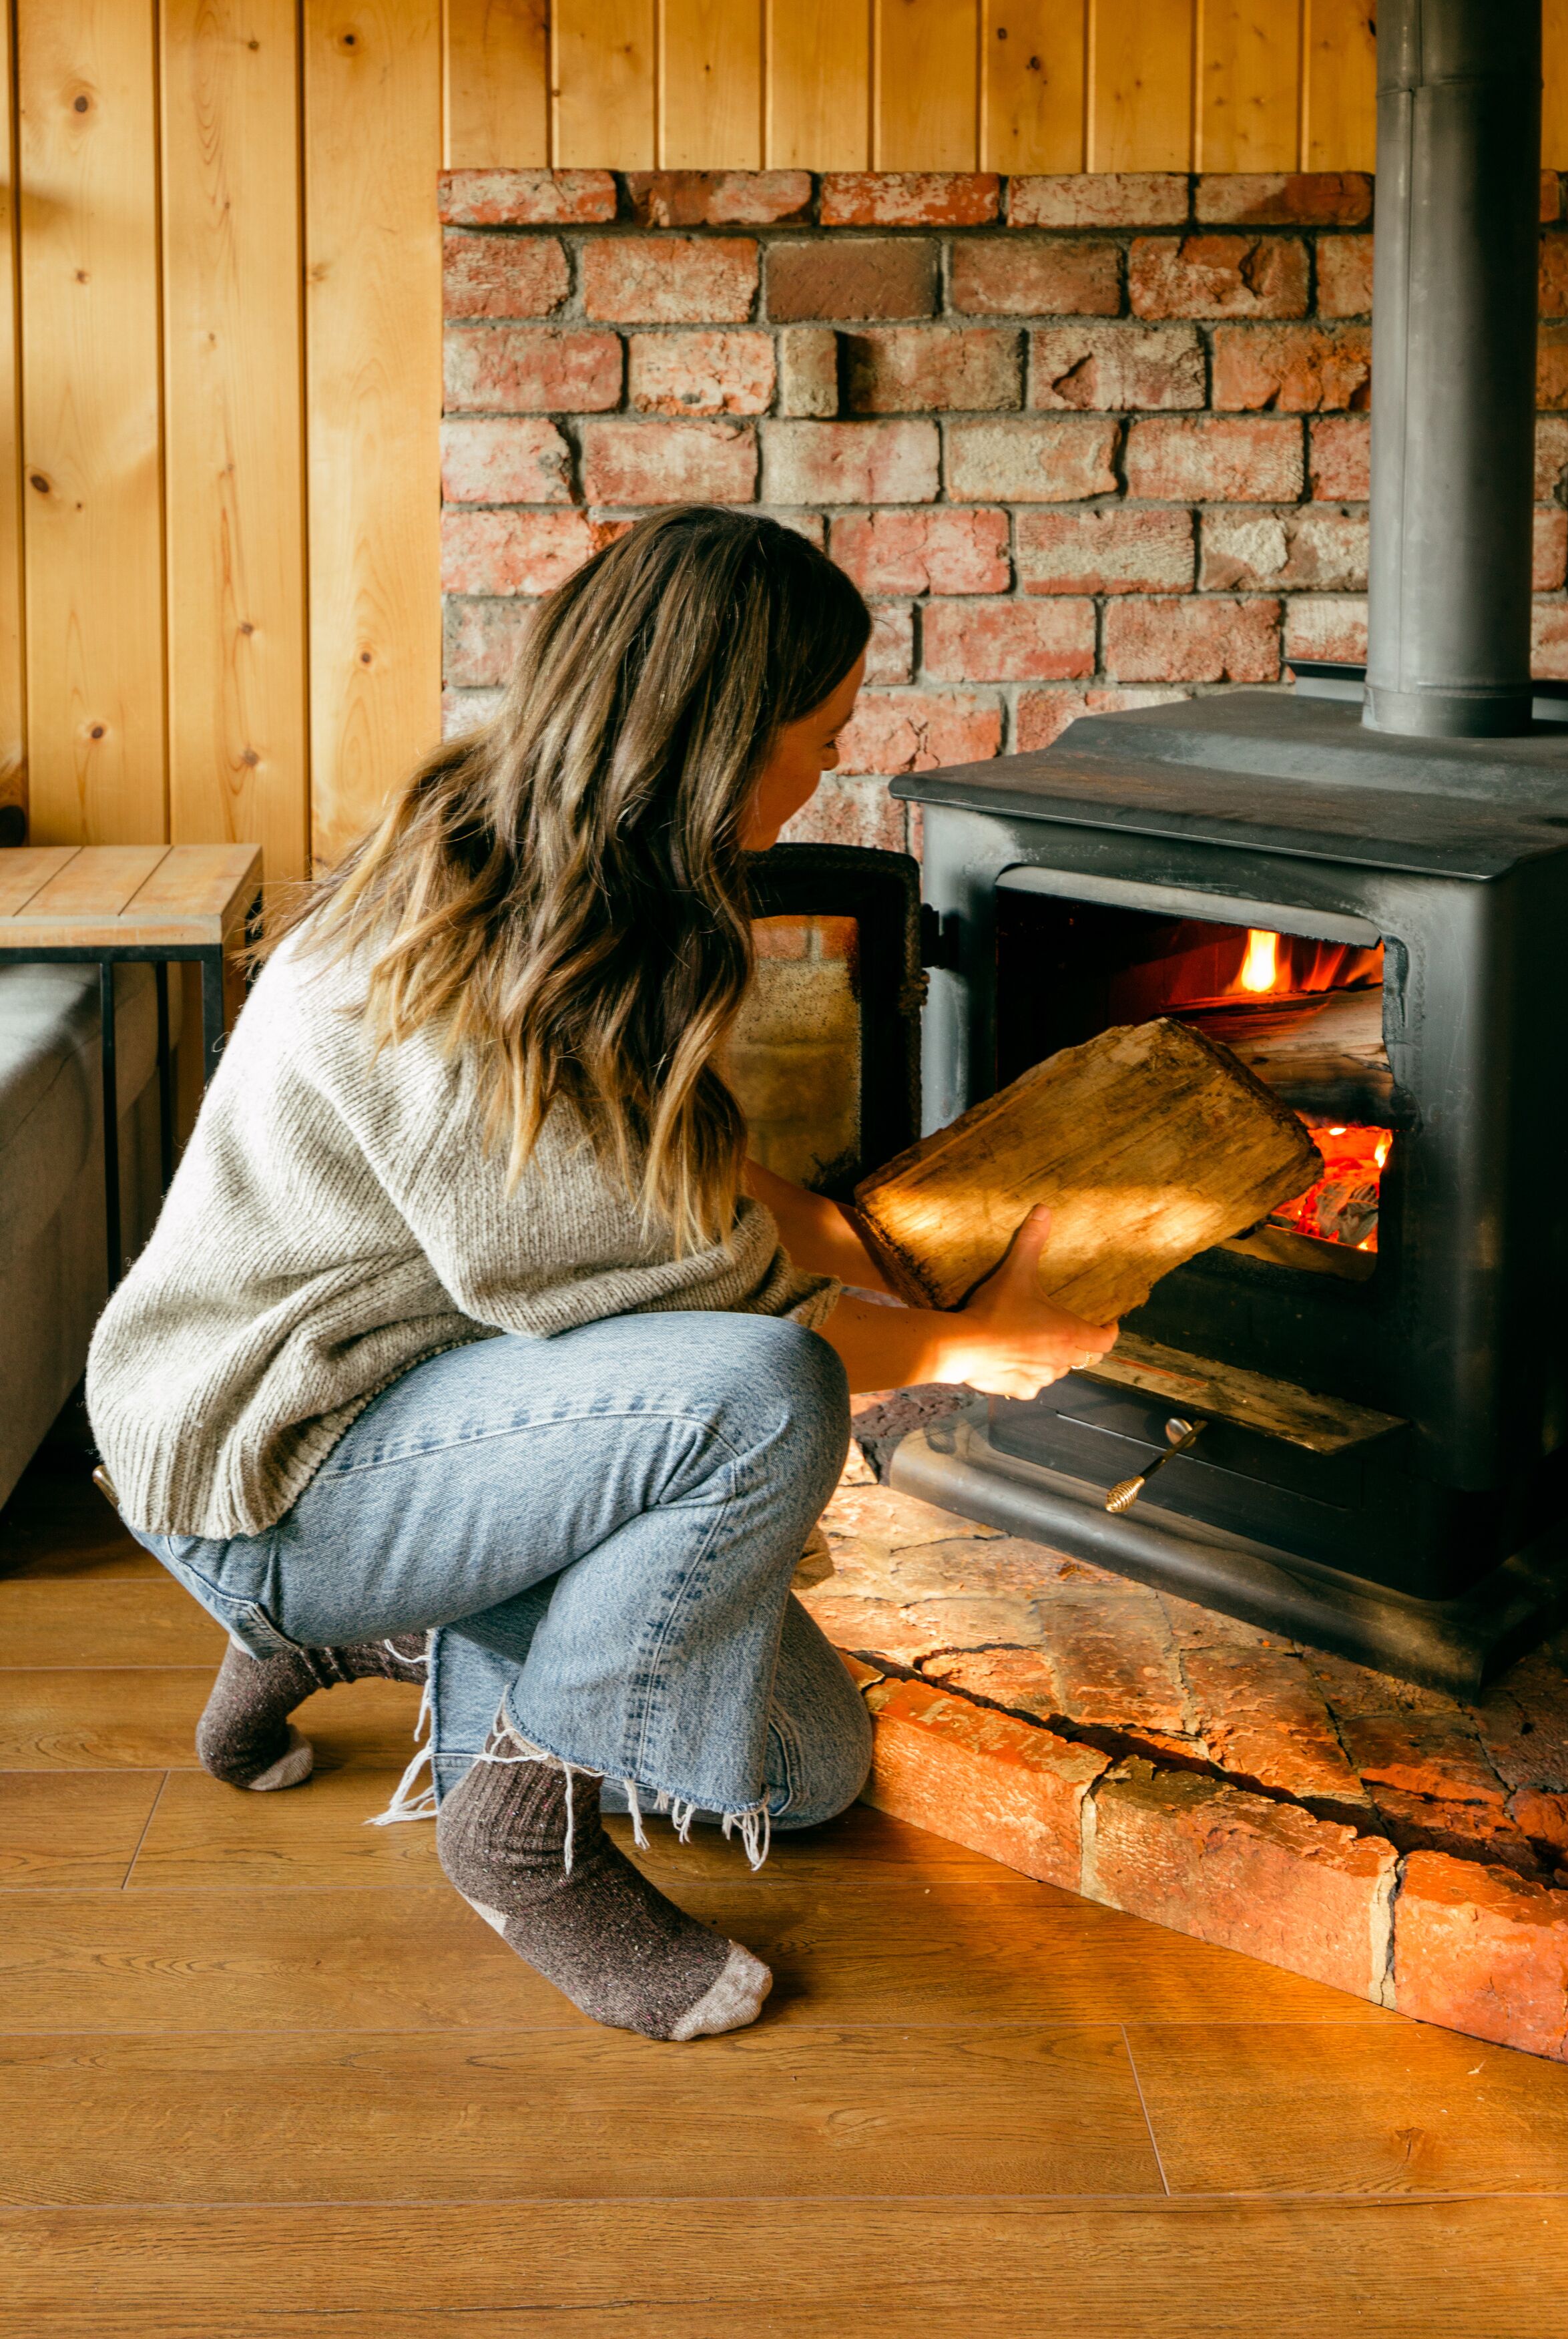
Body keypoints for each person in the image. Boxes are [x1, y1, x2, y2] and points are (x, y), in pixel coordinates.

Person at [85, 506, 1115, 2044]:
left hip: (416, 1410)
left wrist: (876, 1241)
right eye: (818, 734)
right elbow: (698, 1329)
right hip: (274, 1465)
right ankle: (516, 1829)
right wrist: (976, 1345)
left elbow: (674, 1176)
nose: (828, 769)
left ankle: (364, 1638)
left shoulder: (563, 873)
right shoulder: (460, 968)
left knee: (801, 1771)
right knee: (764, 1394)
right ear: (719, 736)